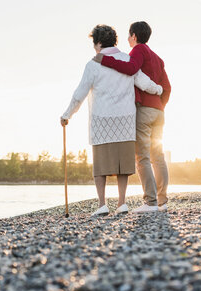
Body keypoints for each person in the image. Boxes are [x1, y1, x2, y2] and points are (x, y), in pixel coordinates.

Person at [61, 24, 163, 217]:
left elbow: (79, 94)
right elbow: (144, 82)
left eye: (94, 43)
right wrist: (158, 89)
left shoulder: (93, 64)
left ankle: (102, 204)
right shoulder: (127, 58)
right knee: (122, 165)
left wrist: (67, 115)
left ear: (98, 43)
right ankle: (122, 203)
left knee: (101, 166)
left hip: (102, 121)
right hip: (125, 121)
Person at [93, 21, 171, 213]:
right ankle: (162, 201)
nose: (128, 39)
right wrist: (160, 105)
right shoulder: (158, 59)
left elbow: (130, 69)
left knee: (143, 157)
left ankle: (150, 202)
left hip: (144, 109)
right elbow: (167, 87)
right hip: (158, 111)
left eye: (129, 35)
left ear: (134, 36)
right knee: (158, 157)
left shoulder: (138, 51)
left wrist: (103, 59)